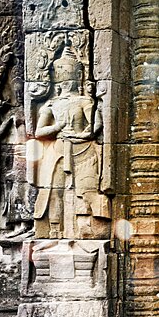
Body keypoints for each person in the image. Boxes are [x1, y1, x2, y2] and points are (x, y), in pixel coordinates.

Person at [33, 46, 109, 239]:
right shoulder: (51, 104)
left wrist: (85, 133)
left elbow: (94, 126)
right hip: (58, 149)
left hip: (83, 149)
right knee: (54, 191)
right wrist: (57, 127)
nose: (66, 85)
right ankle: (55, 230)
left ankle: (85, 227)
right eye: (63, 81)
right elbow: (39, 132)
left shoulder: (84, 101)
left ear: (77, 79)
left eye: (70, 81)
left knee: (85, 190)